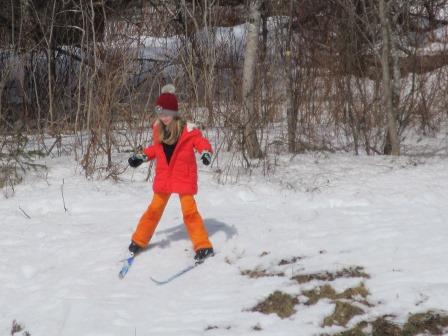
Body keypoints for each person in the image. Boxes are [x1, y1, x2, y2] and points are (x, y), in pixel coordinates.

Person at [127, 84, 214, 263]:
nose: (164, 117)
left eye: (166, 113)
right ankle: (139, 240)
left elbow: (200, 141)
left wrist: (205, 152)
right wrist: (142, 157)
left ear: (174, 112)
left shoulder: (188, 130)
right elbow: (156, 150)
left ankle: (203, 245)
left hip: (183, 176)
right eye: (160, 113)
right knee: (154, 209)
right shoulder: (158, 129)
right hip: (165, 177)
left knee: (189, 212)